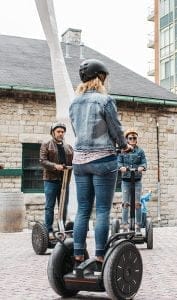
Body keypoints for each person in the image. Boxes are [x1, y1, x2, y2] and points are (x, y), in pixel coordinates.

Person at [69, 58, 132, 272]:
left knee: (83, 209)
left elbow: (77, 132)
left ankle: (77, 255)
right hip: (103, 159)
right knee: (103, 210)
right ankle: (99, 256)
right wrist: (124, 146)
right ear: (100, 78)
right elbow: (115, 128)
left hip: (79, 161)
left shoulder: (74, 102)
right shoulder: (105, 100)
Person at [39, 122, 73, 239]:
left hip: (64, 180)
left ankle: (61, 230)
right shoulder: (46, 144)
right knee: (50, 206)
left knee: (63, 206)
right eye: (58, 131)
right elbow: (42, 161)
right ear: (53, 132)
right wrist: (55, 166)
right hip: (50, 180)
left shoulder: (68, 147)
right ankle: (48, 230)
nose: (60, 134)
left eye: (62, 132)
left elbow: (73, 161)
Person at [118, 129, 147, 232]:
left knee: (137, 203)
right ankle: (125, 226)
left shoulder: (140, 151)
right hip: (126, 180)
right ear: (127, 139)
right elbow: (119, 162)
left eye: (134, 138)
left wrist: (142, 167)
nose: (133, 140)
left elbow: (144, 162)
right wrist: (121, 167)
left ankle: (138, 226)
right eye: (130, 138)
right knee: (125, 203)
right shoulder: (122, 151)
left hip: (137, 180)